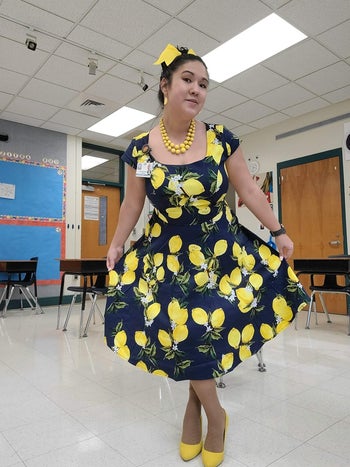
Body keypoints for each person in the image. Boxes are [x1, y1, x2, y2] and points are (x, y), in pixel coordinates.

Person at [105, 44, 309, 467]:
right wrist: (116, 242)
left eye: (204, 84)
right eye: (187, 80)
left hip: (220, 254)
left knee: (203, 333)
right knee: (179, 333)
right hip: (165, 258)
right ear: (164, 86)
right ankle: (214, 412)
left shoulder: (221, 140)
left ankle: (201, 412)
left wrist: (278, 230)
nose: (197, 89)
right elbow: (132, 204)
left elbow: (249, 191)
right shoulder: (140, 150)